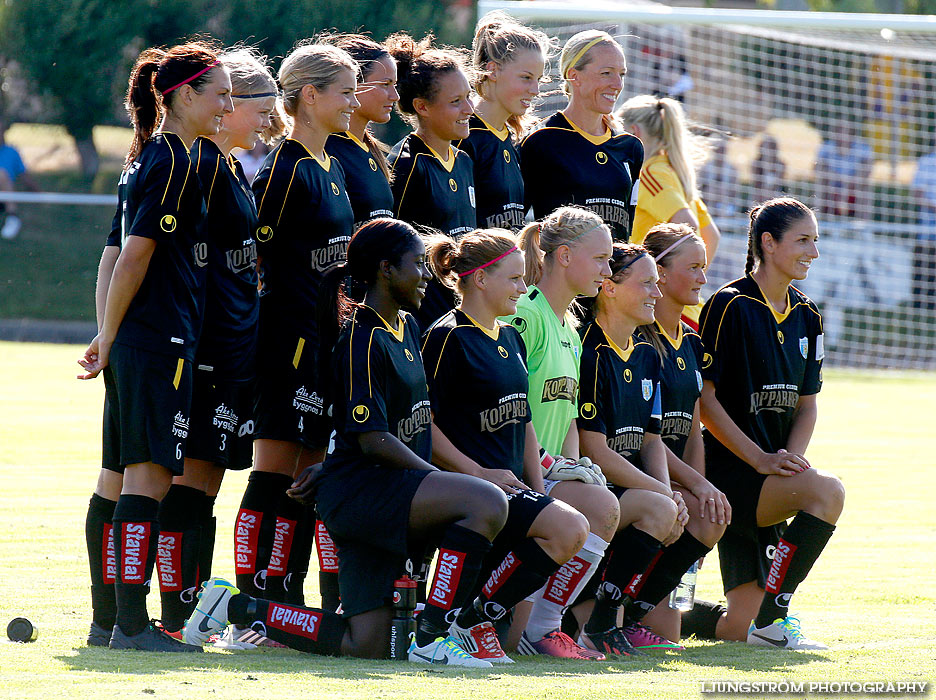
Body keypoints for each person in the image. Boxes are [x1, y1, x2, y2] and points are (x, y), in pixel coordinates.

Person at [183, 218, 507, 667]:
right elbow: (372, 438)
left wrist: (338, 466)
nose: (428, 274)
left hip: (374, 486)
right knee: (485, 502)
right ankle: (432, 639)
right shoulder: (361, 336)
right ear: (386, 269)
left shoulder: (407, 327)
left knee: (367, 645)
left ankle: (234, 607)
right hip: (365, 494)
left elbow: (401, 425)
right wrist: (439, 481)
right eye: (417, 264)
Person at [78, 41, 233, 652]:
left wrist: (108, 332)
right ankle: (133, 628)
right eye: (219, 92)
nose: (227, 103)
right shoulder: (169, 160)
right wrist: (112, 333)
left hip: (143, 340)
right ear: (184, 96)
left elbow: (110, 252)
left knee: (117, 478)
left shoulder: (157, 155)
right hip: (157, 339)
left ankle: (105, 621)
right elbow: (134, 253)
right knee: (147, 480)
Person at [152, 47, 280, 641]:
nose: (261, 120)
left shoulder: (226, 165)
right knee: (190, 480)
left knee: (208, 483)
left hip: (235, 345)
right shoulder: (193, 163)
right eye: (251, 106)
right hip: (205, 345)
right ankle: (176, 614)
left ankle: (192, 610)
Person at [421, 228, 590, 663]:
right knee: (570, 528)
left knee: (570, 528)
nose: (523, 287)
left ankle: (472, 616)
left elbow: (524, 419)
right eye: (514, 279)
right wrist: (477, 475)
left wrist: (539, 486)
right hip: (470, 491)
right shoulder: (449, 336)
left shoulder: (510, 336)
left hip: (513, 486)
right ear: (480, 279)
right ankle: (462, 620)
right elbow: (425, 425)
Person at [231, 42, 358, 614]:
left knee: (310, 473)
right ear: (310, 96)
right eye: (346, 92)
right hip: (287, 344)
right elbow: (257, 260)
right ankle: (252, 602)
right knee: (273, 472)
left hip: (325, 346)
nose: (354, 104)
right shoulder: (285, 169)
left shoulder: (332, 164)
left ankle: (286, 595)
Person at [695, 197, 845, 649]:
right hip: (729, 475)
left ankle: (676, 617)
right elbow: (705, 399)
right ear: (768, 242)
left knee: (735, 630)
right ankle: (775, 620)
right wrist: (760, 459)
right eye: (802, 240)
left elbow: (807, 405)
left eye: (814, 241)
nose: (812, 252)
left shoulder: (809, 314)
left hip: (772, 476)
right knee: (828, 491)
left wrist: (790, 461)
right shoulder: (729, 304)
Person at [503, 206, 621, 661]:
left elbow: (568, 416)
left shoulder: (572, 329)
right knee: (602, 505)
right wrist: (545, 474)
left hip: (550, 470)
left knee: (603, 504)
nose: (608, 271)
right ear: (566, 255)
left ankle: (546, 626)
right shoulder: (526, 316)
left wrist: (576, 465)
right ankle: (526, 625)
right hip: (519, 470)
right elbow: (517, 410)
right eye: (602, 259)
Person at [571, 242, 688, 657]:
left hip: (625, 484)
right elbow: (594, 448)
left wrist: (667, 490)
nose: (657, 293)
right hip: (587, 484)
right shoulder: (588, 349)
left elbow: (652, 439)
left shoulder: (646, 351)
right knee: (661, 508)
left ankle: (612, 620)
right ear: (609, 288)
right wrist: (661, 495)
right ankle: (589, 622)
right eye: (646, 284)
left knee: (679, 511)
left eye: (657, 284)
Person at [618, 223, 729, 648]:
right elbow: (650, 437)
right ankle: (622, 610)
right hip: (647, 476)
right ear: (660, 274)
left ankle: (655, 607)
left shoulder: (691, 340)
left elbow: (693, 428)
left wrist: (700, 485)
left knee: (714, 513)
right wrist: (685, 484)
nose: (704, 278)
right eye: (695, 268)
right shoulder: (639, 340)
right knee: (663, 632)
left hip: (678, 479)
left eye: (706, 268)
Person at [386, 33, 476, 331]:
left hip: (462, 313)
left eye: (468, 97)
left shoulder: (463, 161)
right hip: (422, 321)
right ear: (422, 107)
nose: (469, 109)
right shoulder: (406, 165)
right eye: (455, 102)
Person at [520, 30, 643, 242]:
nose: (617, 84)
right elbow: (516, 223)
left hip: (613, 274)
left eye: (621, 74)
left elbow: (626, 230)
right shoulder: (542, 140)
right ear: (574, 76)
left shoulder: (630, 147)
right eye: (606, 73)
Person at [616, 94, 720, 330]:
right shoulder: (673, 173)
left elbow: (688, 225)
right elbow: (711, 235)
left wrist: (668, 280)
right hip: (685, 312)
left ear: (634, 132)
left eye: (616, 131)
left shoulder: (651, 174)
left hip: (666, 311)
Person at [456, 11, 552, 230]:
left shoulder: (516, 141)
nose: (536, 90)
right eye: (526, 78)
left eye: (538, 79)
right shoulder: (463, 137)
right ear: (493, 70)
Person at [325, 34, 398, 230]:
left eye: (395, 85)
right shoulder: (328, 150)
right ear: (354, 85)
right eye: (385, 85)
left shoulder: (371, 150)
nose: (395, 96)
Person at [815, 120, 872, 219]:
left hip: (854, 185)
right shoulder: (827, 146)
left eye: (845, 131)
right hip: (832, 184)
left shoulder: (862, 147)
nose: (842, 135)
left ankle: (863, 223)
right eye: (839, 131)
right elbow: (817, 167)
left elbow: (867, 169)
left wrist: (848, 184)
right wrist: (836, 178)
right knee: (821, 183)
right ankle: (820, 219)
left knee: (865, 187)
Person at [0, 118, 39, 240]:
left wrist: (40, 194)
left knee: (1, 175)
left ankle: (12, 216)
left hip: (3, 197)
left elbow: (24, 176)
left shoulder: (11, 152)